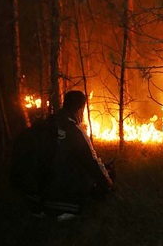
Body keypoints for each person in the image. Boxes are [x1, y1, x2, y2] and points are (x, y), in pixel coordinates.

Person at [39, 90, 113, 220]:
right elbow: (92, 162)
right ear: (80, 109)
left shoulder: (47, 122)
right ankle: (66, 208)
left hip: (34, 193)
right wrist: (107, 183)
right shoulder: (74, 131)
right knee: (85, 174)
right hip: (55, 197)